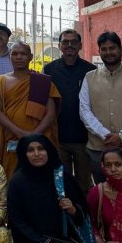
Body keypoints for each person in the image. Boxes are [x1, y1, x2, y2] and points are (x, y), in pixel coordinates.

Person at [6, 134, 99, 243]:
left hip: (63, 239)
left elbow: (82, 212)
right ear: (24, 154)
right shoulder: (18, 182)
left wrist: (72, 209)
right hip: (32, 242)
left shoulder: (61, 176)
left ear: (49, 151)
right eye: (31, 150)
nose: (37, 154)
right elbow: (17, 222)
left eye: (41, 149)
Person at [79, 30, 122, 182]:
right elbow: (85, 111)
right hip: (98, 150)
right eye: (104, 49)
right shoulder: (89, 78)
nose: (108, 52)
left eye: (112, 48)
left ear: (121, 50)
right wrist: (105, 135)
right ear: (99, 52)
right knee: (103, 192)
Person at [0, 41, 59, 179]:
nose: (19, 57)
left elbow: (51, 114)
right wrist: (19, 133)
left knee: (41, 177)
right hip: (12, 137)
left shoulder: (42, 82)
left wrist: (34, 135)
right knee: (11, 176)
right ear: (10, 56)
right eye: (15, 54)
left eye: (23, 54)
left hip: (39, 138)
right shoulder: (0, 81)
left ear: (30, 57)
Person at [43, 29, 97, 191]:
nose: (69, 45)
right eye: (65, 42)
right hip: (58, 138)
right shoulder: (49, 70)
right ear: (59, 45)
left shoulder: (91, 70)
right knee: (61, 185)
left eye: (74, 42)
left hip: (84, 138)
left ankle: (83, 208)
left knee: (84, 184)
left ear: (80, 45)